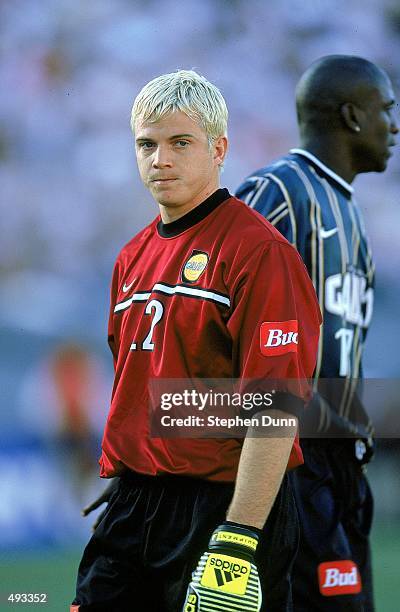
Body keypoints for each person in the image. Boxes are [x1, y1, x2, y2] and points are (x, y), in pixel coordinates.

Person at [71, 69, 321, 612]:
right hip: (135, 505)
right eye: (147, 144)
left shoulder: (260, 252)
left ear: (219, 148)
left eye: (180, 143)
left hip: (222, 507)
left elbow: (275, 407)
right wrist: (137, 469)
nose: (160, 159)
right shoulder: (130, 257)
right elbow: (137, 388)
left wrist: (240, 534)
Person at [235, 55, 398, 612]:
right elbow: (206, 311)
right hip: (291, 463)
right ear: (352, 116)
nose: (393, 125)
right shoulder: (279, 192)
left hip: (339, 468)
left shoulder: (349, 214)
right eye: (386, 110)